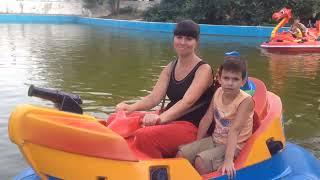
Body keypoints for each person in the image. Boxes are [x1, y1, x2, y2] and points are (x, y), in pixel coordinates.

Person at [116, 20, 215, 158]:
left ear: (196, 42)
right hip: (171, 118)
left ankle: (158, 169)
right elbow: (154, 97)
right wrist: (130, 107)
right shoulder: (170, 67)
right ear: (174, 39)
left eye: (189, 38)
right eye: (179, 37)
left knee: (144, 136)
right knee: (116, 119)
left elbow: (187, 101)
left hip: (192, 125)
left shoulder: (203, 69)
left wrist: (160, 118)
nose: (182, 42)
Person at [176, 58, 254, 178]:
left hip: (235, 146)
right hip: (215, 139)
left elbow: (235, 130)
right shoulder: (218, 92)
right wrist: (197, 144)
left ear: (243, 82)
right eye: (226, 78)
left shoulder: (245, 101)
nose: (230, 83)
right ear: (219, 79)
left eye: (235, 79)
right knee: (181, 154)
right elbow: (207, 119)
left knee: (200, 162)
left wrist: (228, 161)